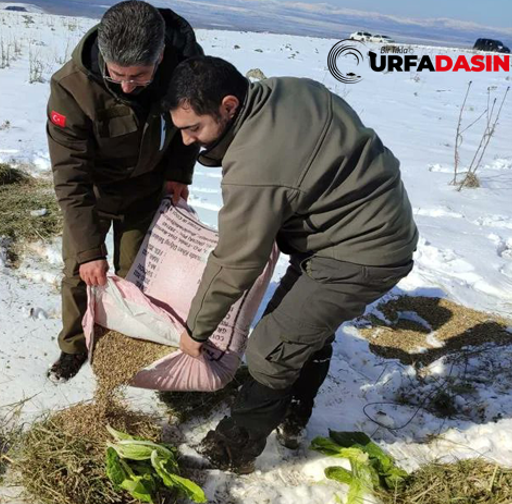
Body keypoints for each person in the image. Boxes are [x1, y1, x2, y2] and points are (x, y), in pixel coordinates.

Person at [163, 56, 419, 473]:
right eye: (181, 130)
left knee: (271, 347)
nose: (189, 141)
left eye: (195, 128)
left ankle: (234, 449)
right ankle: (294, 415)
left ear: (229, 106)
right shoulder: (286, 90)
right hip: (357, 227)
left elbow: (236, 261)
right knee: (301, 328)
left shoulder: (254, 164)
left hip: (364, 249)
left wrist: (196, 329)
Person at [46, 1, 203, 383]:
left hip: (148, 189)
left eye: (140, 76)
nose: (128, 86)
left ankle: (122, 338)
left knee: (136, 272)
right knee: (81, 272)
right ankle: (73, 346)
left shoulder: (185, 73)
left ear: (161, 56)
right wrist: (89, 251)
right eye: (118, 75)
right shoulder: (71, 89)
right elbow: (70, 176)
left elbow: (191, 124)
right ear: (103, 54)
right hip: (94, 193)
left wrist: (179, 172)